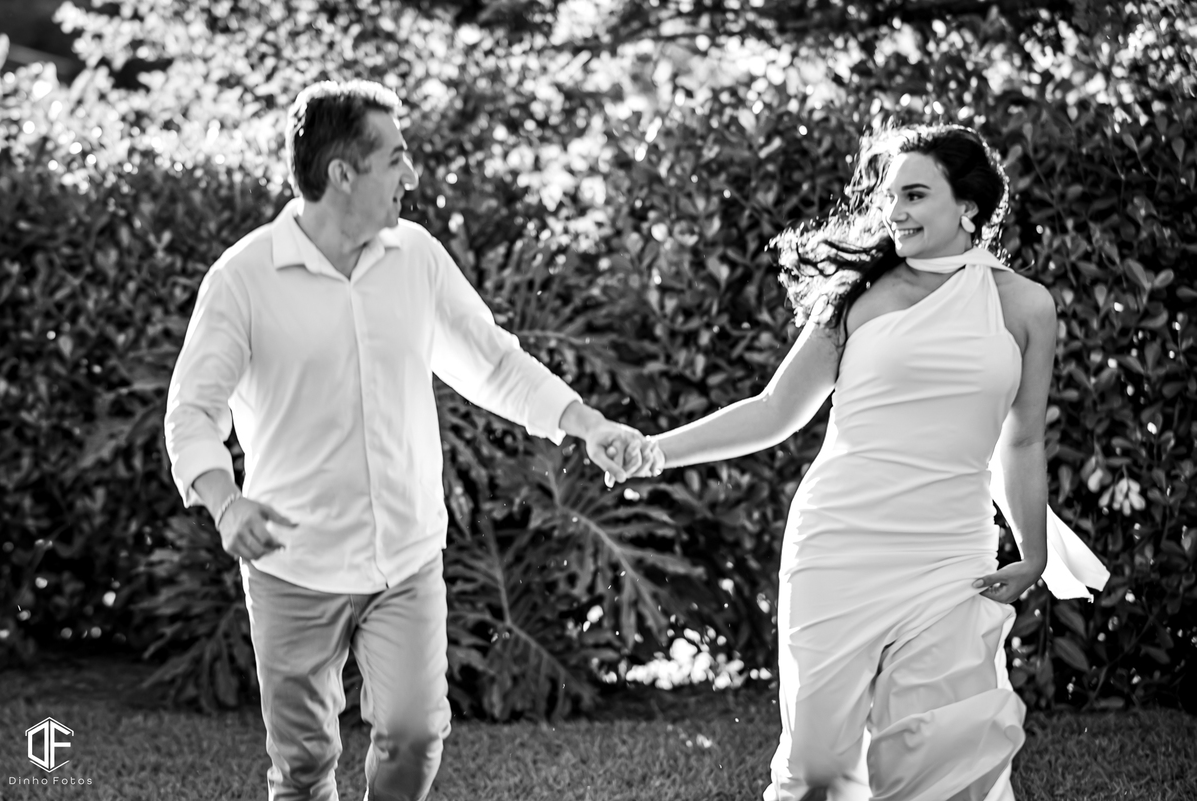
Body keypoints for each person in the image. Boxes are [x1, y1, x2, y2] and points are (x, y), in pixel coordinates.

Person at [164, 79, 649, 801]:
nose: (412, 176)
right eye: (395, 158)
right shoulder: (243, 278)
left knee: (416, 733)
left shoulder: (415, 257)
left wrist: (586, 423)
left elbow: (492, 362)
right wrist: (226, 503)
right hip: (293, 565)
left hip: (406, 560)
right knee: (302, 767)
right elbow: (192, 411)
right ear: (342, 173)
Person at [618, 123, 1108, 800]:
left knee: (941, 764)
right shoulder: (854, 299)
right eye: (888, 197)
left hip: (949, 558)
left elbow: (1021, 442)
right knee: (817, 769)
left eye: (915, 194)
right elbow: (774, 409)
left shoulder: (1027, 307)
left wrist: (1033, 554)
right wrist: (655, 451)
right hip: (837, 547)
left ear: (967, 205)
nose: (894, 211)